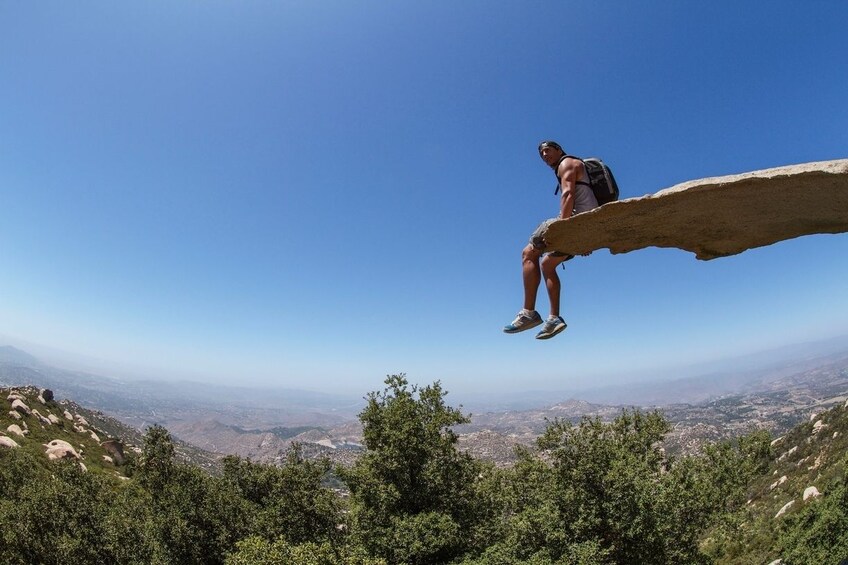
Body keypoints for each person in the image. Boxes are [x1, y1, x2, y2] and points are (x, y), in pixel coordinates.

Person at [503, 141, 599, 340]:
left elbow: (568, 194)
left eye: (548, 150)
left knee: (528, 253)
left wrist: (563, 229)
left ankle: (528, 313)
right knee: (547, 264)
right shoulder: (575, 165)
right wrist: (584, 238)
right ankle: (554, 318)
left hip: (575, 223)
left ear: (559, 149)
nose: (545, 154)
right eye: (542, 153)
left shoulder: (567, 163)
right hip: (586, 226)